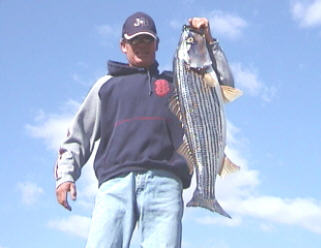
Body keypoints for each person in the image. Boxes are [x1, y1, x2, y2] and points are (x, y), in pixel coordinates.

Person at [55, 11, 234, 248]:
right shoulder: (106, 85)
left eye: (147, 40)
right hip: (114, 185)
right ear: (123, 45)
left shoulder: (179, 83)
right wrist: (65, 176)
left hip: (166, 184)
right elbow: (79, 134)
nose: (142, 46)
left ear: (157, 44)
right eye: (135, 40)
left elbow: (222, 88)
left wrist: (209, 42)